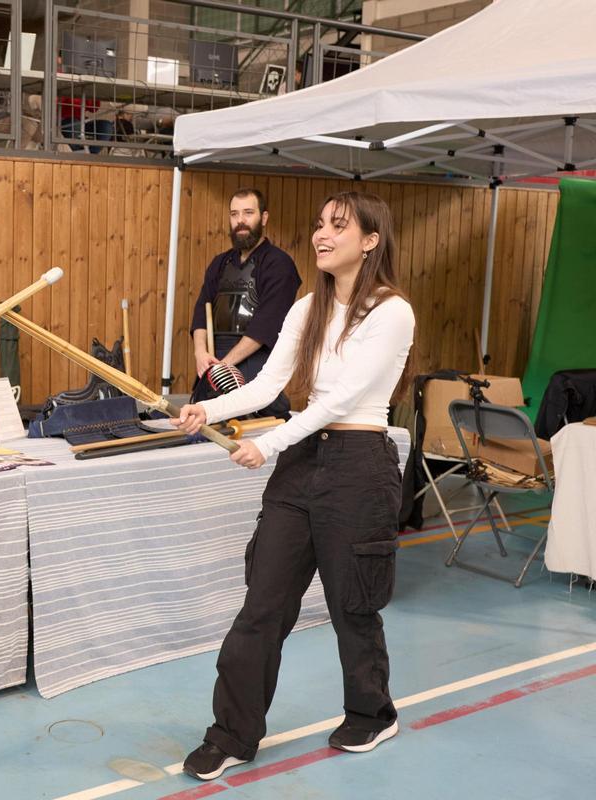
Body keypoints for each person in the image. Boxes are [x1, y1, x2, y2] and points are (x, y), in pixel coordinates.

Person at [172, 191, 415, 780]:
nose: (321, 235)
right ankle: (232, 734)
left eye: (338, 226)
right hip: (303, 462)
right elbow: (268, 385)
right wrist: (208, 409)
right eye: (319, 224)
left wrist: (269, 443)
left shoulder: (391, 312)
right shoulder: (308, 307)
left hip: (359, 465)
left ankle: (372, 712)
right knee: (263, 605)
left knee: (352, 605)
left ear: (371, 241)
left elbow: (342, 400)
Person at [191, 188, 300, 418]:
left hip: (254, 363)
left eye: (248, 213)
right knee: (201, 423)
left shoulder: (279, 264)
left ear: (264, 217)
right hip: (214, 362)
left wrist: (224, 366)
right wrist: (201, 353)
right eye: (234, 214)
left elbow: (266, 325)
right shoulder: (219, 263)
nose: (240, 220)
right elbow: (202, 310)